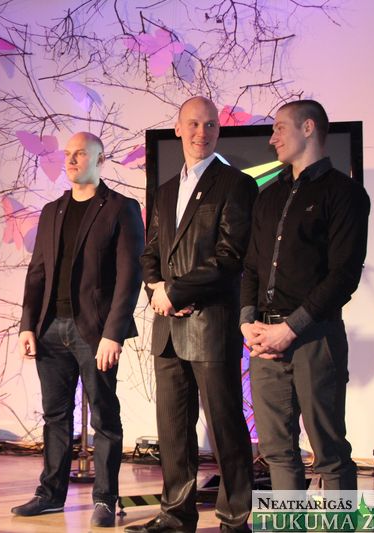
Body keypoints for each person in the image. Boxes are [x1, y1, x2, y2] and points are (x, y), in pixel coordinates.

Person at [129, 96, 258, 533]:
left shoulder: (237, 184)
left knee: (225, 426)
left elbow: (230, 256)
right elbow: (150, 252)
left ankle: (235, 518)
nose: (202, 133)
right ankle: (175, 513)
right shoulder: (166, 189)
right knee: (173, 428)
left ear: (218, 130)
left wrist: (176, 291)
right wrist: (156, 291)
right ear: (178, 128)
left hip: (211, 324)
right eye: (194, 124)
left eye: (210, 125)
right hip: (167, 326)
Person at [11, 131, 145, 528]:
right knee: (55, 416)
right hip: (50, 328)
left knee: (103, 417)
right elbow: (37, 272)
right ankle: (50, 495)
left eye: (80, 154)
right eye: (68, 154)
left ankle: (104, 498)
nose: (70, 160)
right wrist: (27, 325)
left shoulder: (121, 208)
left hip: (95, 331)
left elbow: (129, 277)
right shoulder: (52, 210)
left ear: (100, 159)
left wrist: (113, 333)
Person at [240, 100, 369, 491]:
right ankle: (288, 521)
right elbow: (251, 266)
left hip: (316, 338)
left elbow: (343, 276)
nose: (272, 138)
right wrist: (247, 322)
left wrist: (291, 328)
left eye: (280, 127)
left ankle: (339, 520)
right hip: (264, 342)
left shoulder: (344, 193)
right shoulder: (268, 196)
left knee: (329, 452)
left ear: (308, 128)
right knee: (277, 451)